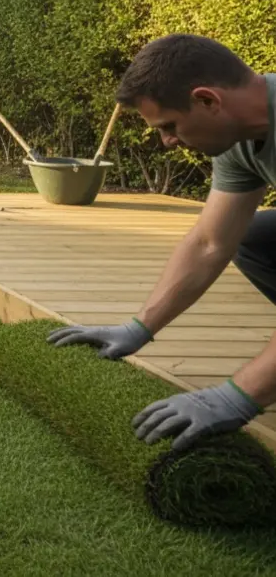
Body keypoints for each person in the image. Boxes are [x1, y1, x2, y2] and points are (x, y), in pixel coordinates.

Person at [48, 33, 276, 451]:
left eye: (169, 126)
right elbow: (210, 242)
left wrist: (237, 395)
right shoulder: (239, 139)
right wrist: (139, 328)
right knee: (258, 236)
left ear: (208, 100)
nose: (167, 142)